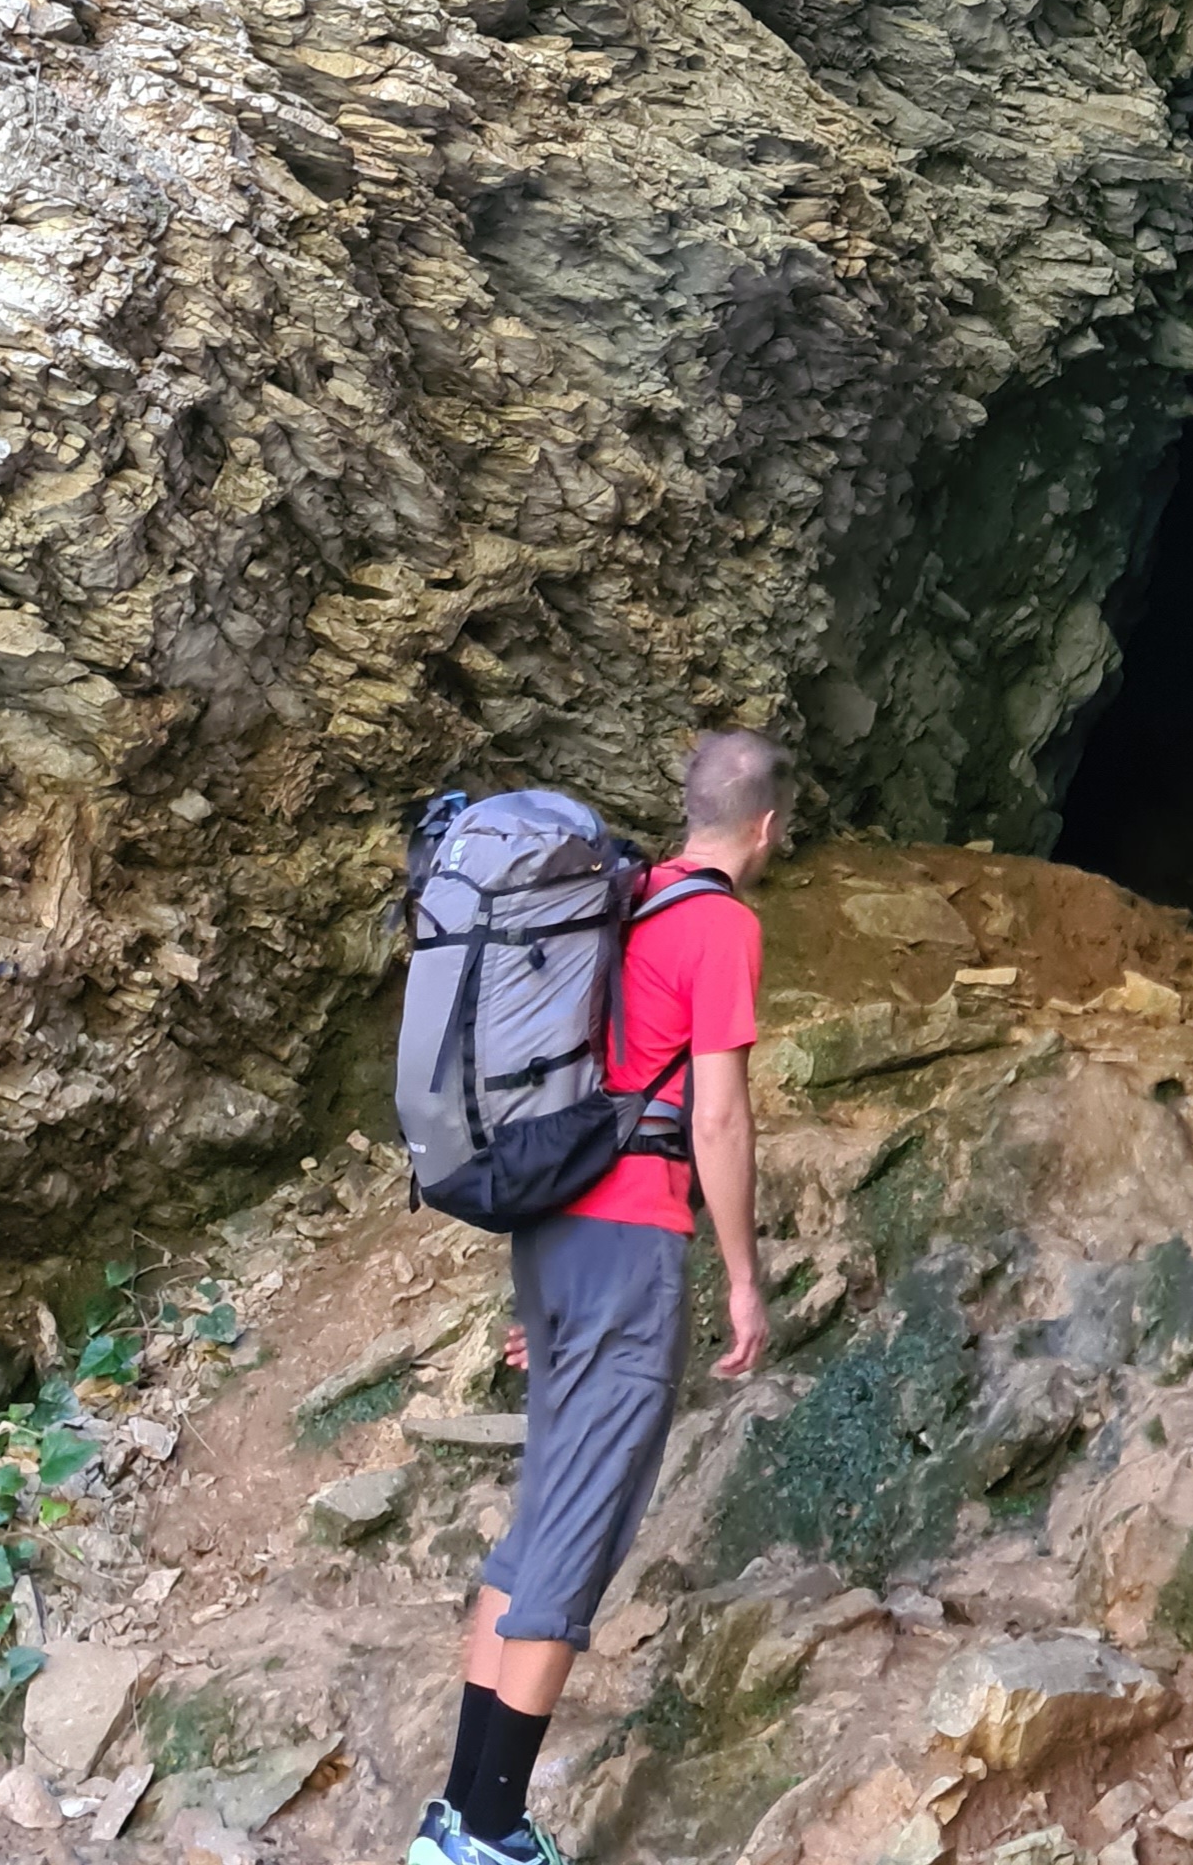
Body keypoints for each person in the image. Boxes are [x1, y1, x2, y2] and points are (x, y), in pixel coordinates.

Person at [408, 730, 789, 1865]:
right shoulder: (719, 925)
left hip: (555, 1235)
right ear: (765, 827)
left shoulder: (619, 903)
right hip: (629, 1246)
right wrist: (742, 1276)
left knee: (538, 1526)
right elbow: (716, 1116)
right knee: (576, 1539)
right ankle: (489, 1835)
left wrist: (541, 1301)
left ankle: (459, 1814)